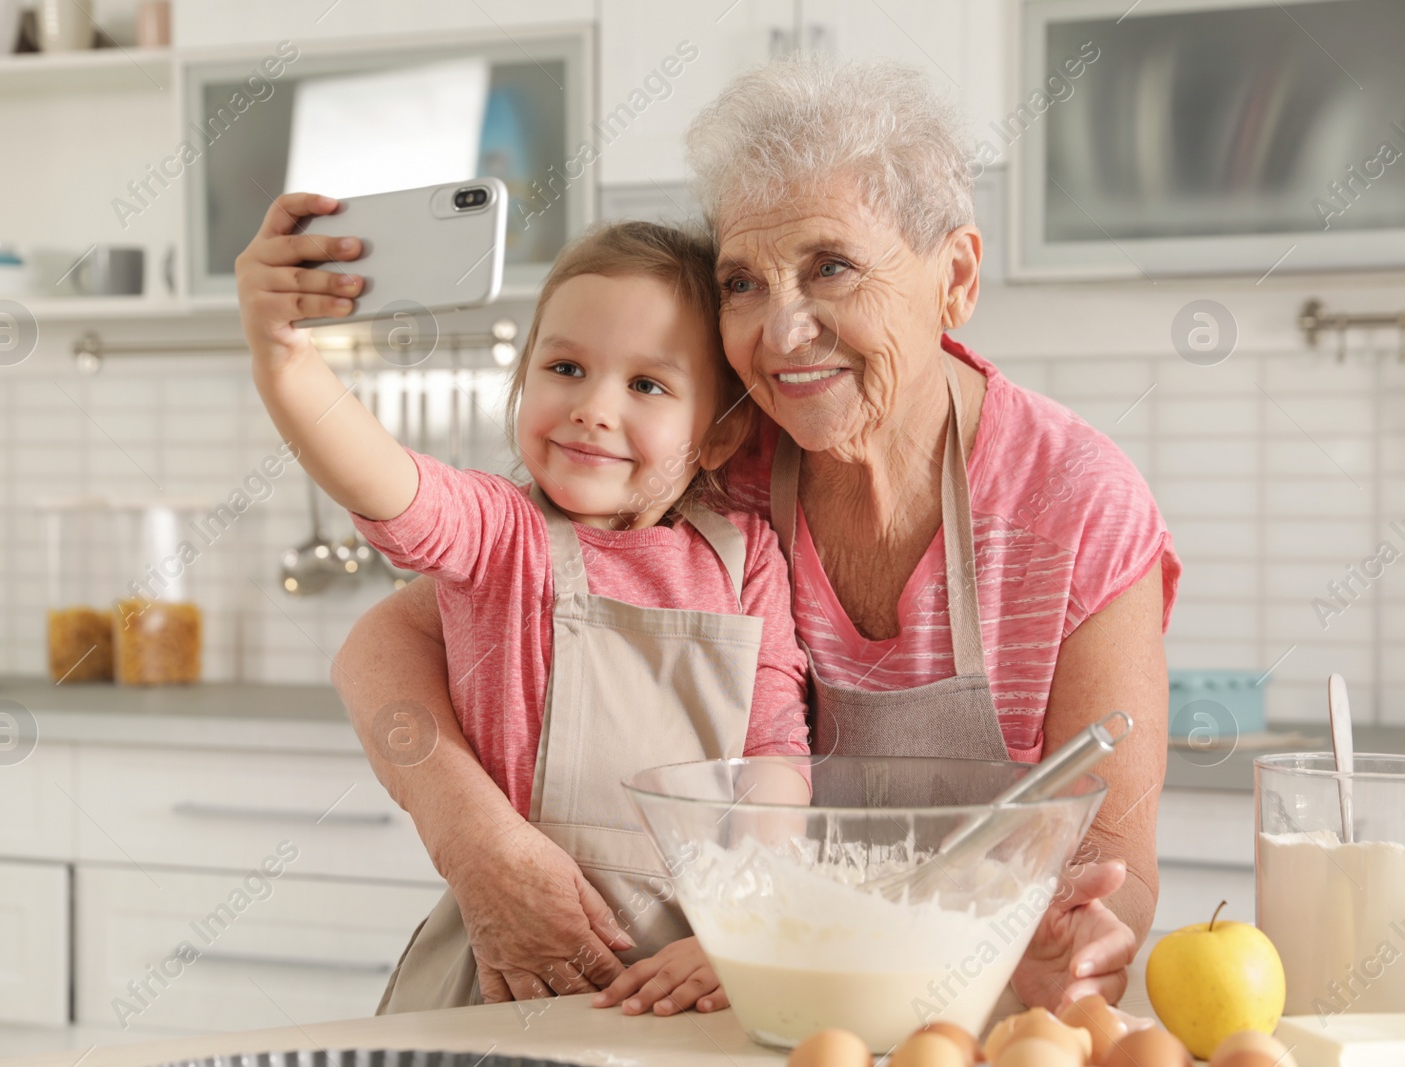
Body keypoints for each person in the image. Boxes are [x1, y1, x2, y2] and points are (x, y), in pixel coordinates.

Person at [334, 54, 1181, 1021]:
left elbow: (1117, 871)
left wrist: (1088, 934)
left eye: (830, 267)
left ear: (955, 276)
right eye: (743, 282)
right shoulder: (715, 456)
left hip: (966, 1016)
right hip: (731, 1011)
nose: (780, 335)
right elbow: (388, 642)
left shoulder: (1075, 508)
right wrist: (476, 841)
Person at [236, 210, 811, 1014]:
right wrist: (283, 357)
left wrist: (748, 920)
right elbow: (384, 481)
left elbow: (774, 756)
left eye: (647, 384)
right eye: (566, 367)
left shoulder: (746, 560)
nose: (594, 408)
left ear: (717, 437)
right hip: (503, 982)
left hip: (685, 982)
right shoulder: (501, 535)